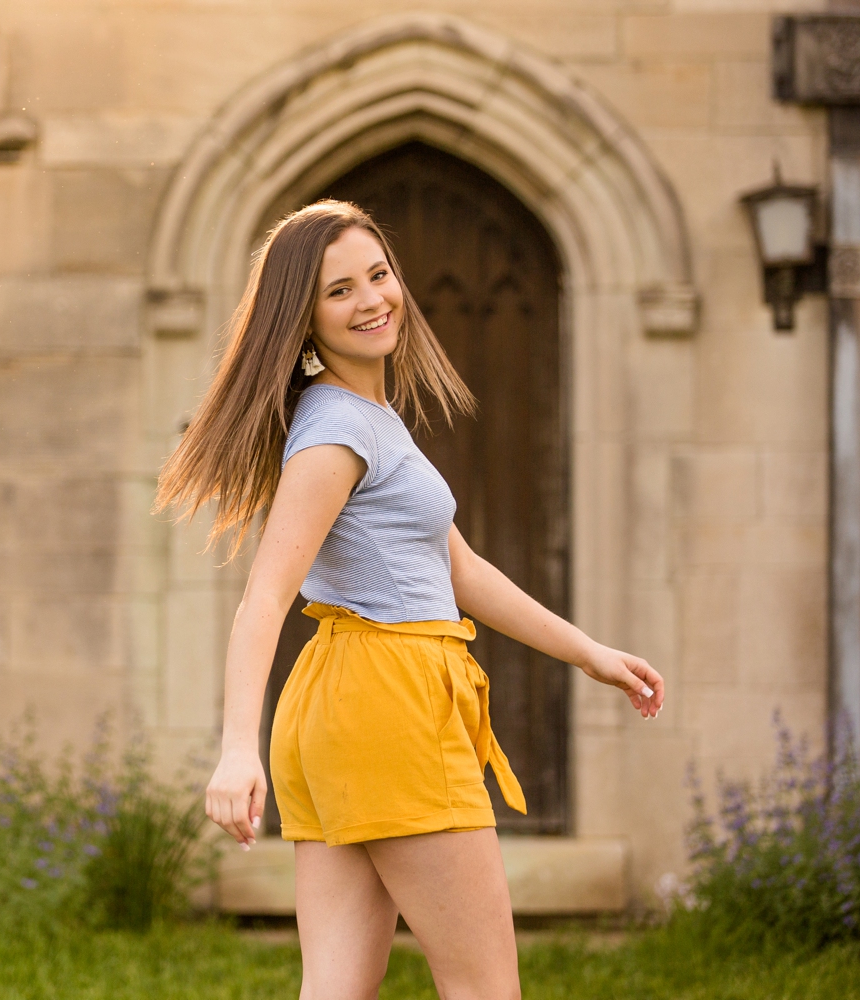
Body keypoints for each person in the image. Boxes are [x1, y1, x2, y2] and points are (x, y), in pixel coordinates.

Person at [154, 200, 664, 1000]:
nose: (371, 300)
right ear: (304, 319)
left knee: (336, 989)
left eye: (379, 275)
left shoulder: (368, 418)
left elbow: (459, 569)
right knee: (485, 989)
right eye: (339, 291)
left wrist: (590, 654)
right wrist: (233, 748)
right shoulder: (337, 435)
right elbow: (264, 597)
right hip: (391, 703)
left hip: (343, 704)